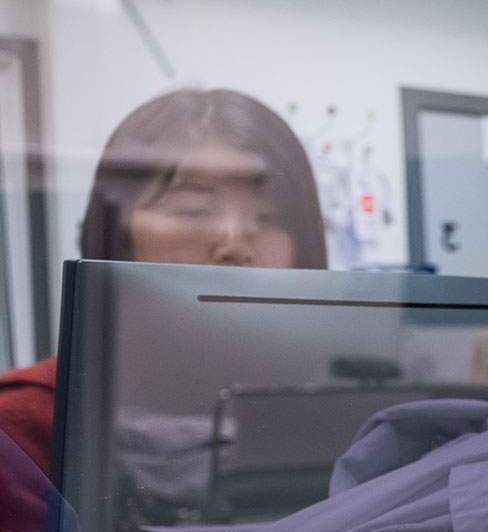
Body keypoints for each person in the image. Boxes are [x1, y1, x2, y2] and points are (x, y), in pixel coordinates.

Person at [0, 86, 328, 482]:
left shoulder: (339, 410)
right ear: (117, 236)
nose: (234, 243)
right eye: (193, 211)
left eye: (267, 216)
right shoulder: (23, 426)